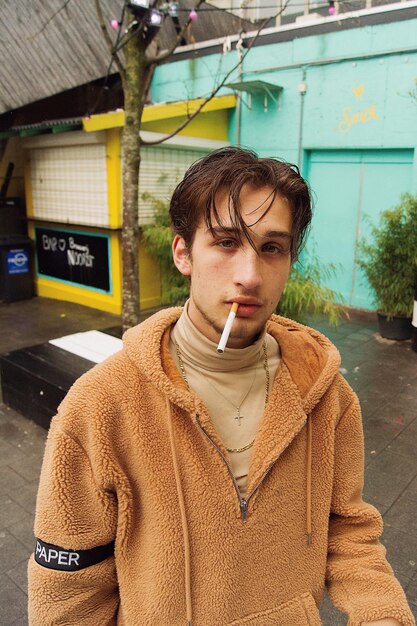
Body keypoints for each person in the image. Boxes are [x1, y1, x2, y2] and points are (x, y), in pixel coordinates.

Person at [28, 147, 414, 626]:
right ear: (183, 252)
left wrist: (382, 614)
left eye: (272, 248)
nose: (249, 276)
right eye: (227, 242)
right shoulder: (100, 406)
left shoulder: (326, 396)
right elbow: (69, 592)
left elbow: (348, 531)